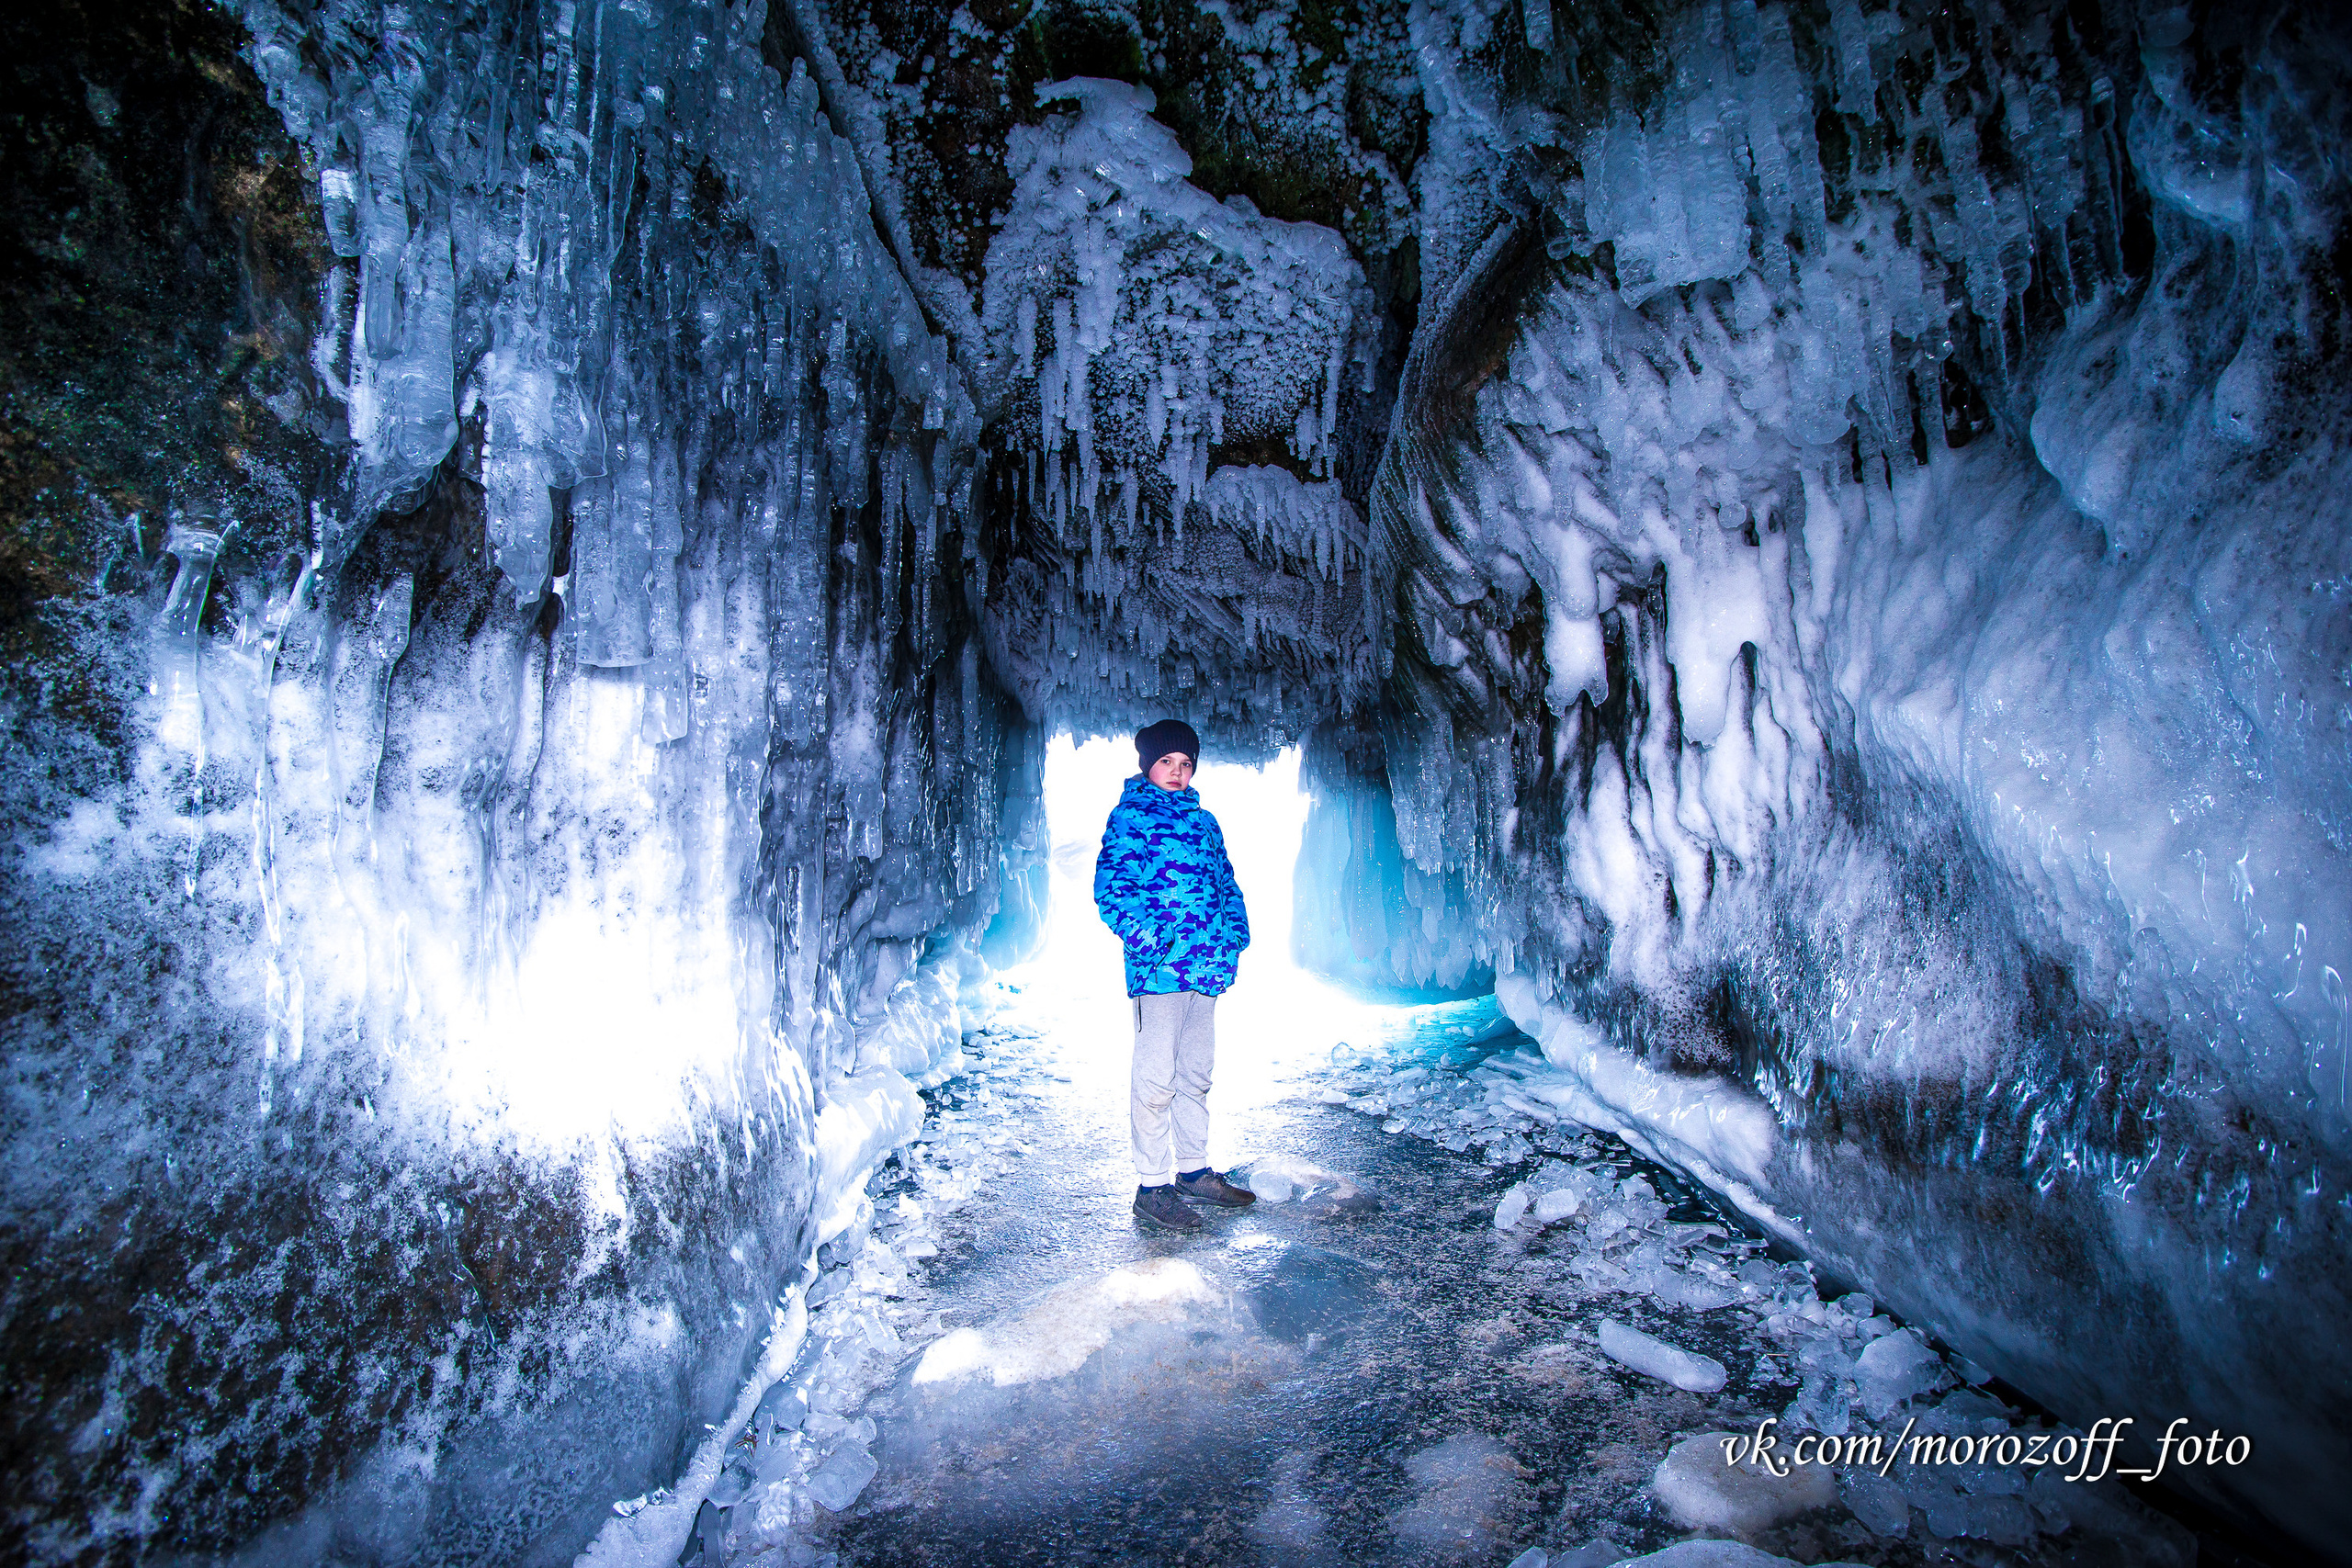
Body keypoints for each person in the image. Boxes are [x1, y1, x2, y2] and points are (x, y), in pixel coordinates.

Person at [1092, 718, 1258, 1231]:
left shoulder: (1206, 823)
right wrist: (1155, 944)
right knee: (1155, 1077)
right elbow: (1111, 891)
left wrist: (1234, 937)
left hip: (1207, 969)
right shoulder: (1130, 818)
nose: (1177, 771)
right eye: (1167, 761)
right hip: (1160, 974)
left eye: (1186, 763)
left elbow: (1227, 886)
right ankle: (1152, 1186)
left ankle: (1193, 1172)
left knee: (1195, 1074)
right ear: (1148, 764)